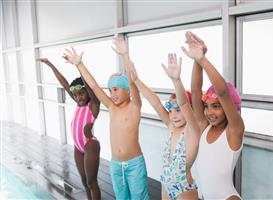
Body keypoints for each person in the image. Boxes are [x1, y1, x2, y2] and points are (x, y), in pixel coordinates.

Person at [62, 39, 149, 200]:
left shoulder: (135, 106)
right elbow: (94, 86)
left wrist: (125, 55)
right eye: (110, 90)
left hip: (135, 165)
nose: (112, 94)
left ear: (127, 91)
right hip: (116, 166)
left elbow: (132, 80)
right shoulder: (111, 107)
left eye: (116, 89)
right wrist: (79, 64)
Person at [182, 31, 244, 199]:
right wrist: (196, 60)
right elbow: (195, 91)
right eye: (207, 106)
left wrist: (203, 59)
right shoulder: (205, 127)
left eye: (216, 106)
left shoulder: (234, 131)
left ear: (230, 107)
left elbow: (223, 92)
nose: (209, 112)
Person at [128, 53, 200, 199]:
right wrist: (136, 80)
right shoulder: (172, 127)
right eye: (170, 110)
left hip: (184, 188)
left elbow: (185, 103)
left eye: (178, 110)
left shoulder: (192, 129)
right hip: (166, 184)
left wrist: (176, 80)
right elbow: (155, 102)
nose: (173, 115)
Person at [37, 58, 101, 200]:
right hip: (78, 147)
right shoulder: (79, 103)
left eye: (81, 93)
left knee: (92, 182)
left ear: (87, 93)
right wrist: (51, 65)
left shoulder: (93, 105)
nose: (78, 97)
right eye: (76, 94)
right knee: (84, 182)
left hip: (90, 145)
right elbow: (64, 83)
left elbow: (91, 87)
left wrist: (78, 65)